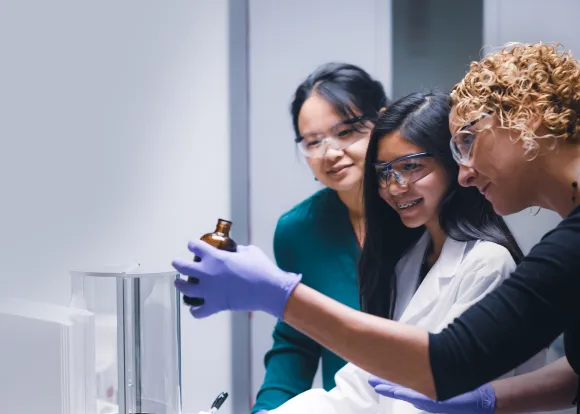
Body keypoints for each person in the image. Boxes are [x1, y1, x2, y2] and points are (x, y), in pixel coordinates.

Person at [173, 42, 580, 412]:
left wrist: (279, 294)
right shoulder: (404, 251)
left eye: (468, 143)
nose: (465, 172)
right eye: (311, 142)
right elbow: (363, 384)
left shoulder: (504, 257)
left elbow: (447, 361)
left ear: (528, 117)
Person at [244, 92, 546, 414]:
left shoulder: (488, 263)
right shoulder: (409, 259)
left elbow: (433, 399)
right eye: (384, 173)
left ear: (453, 162)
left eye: (411, 167)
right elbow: (364, 384)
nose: (394, 186)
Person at [251, 62, 419, 414]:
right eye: (313, 142)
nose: (330, 153)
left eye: (347, 132)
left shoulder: (418, 212)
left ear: (383, 123)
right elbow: (295, 343)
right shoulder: (298, 231)